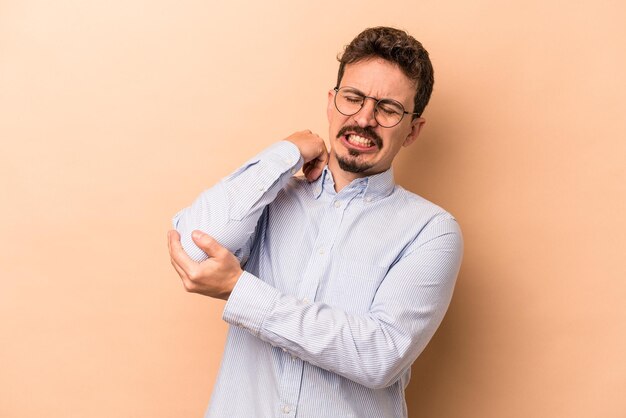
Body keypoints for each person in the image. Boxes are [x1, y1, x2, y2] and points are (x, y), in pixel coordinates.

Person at [168, 26, 463, 418]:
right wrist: (285, 153)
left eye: (388, 109)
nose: (364, 118)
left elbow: (380, 355)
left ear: (413, 130)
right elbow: (192, 251)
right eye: (353, 98)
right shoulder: (270, 196)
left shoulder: (431, 231)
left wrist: (241, 292)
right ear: (331, 102)